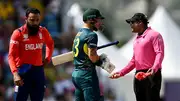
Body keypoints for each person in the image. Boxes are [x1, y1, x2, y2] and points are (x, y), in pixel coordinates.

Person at [109, 13, 164, 101]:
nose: (130, 25)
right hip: (138, 75)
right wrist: (121, 72)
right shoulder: (137, 38)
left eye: (132, 22)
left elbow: (159, 53)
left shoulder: (154, 35)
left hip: (151, 74)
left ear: (140, 23)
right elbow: (134, 60)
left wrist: (154, 69)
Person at [8, 8, 54, 101]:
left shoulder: (43, 31)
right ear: (26, 19)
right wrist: (15, 73)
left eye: (37, 20)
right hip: (23, 72)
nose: (35, 23)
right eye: (32, 20)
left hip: (38, 72)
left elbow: (50, 43)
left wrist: (47, 58)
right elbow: (11, 56)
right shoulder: (18, 33)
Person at [72, 8, 112, 101]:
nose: (100, 23)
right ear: (91, 20)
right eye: (99, 20)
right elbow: (93, 57)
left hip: (76, 75)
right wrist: (100, 61)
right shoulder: (91, 35)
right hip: (87, 75)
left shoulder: (79, 33)